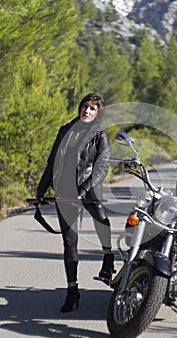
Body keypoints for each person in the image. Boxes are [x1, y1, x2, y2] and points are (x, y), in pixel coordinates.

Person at [36, 93, 114, 313]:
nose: (87, 111)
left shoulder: (100, 134)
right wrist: (41, 190)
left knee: (100, 217)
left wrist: (84, 189)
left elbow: (101, 166)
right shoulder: (65, 130)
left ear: (98, 113)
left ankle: (108, 256)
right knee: (69, 243)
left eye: (92, 108)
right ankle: (72, 291)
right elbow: (52, 161)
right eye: (85, 106)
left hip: (89, 187)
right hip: (65, 191)